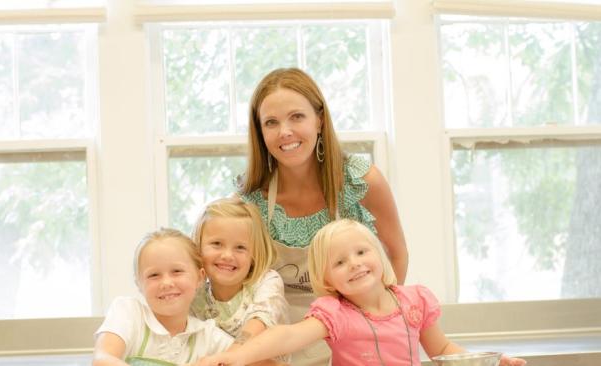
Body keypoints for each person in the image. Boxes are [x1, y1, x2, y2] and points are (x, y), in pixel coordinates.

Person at [235, 67, 409, 364]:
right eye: (271, 122)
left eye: (297, 117)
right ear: (260, 132)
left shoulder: (361, 182)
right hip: (278, 346)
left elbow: (397, 254)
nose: (285, 132)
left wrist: (381, 321)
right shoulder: (251, 200)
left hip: (353, 342)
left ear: (319, 120)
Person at [194, 219, 527, 366]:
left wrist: (493, 362)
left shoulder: (415, 300)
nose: (354, 264)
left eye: (361, 253)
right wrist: (235, 356)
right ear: (327, 279)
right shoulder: (334, 314)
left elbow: (441, 348)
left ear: (379, 255)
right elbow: (286, 337)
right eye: (339, 262)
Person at [93, 228, 234, 366]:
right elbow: (102, 360)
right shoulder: (130, 313)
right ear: (139, 284)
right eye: (154, 275)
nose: (166, 283)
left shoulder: (208, 336)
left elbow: (244, 359)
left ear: (199, 277)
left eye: (177, 271)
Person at [190, 198, 289, 364]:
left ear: (254, 254)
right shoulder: (196, 296)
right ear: (198, 248)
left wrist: (231, 355)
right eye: (217, 244)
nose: (228, 255)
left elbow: (259, 321)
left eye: (240, 247)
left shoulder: (266, 282)